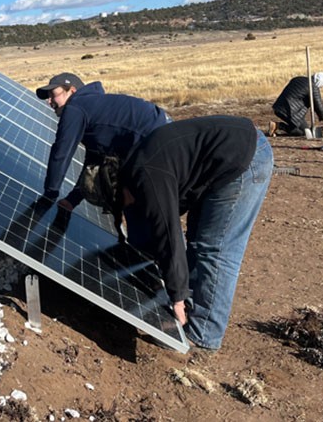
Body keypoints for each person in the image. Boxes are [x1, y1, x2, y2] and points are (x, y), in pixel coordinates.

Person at [99, 115, 273, 351]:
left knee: (215, 249)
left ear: (119, 190)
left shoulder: (147, 178)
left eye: (122, 205)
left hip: (243, 159)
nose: (128, 210)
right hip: (222, 158)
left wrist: (177, 297)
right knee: (198, 241)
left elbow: (168, 234)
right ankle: (194, 308)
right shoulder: (135, 169)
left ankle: (204, 335)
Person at [36, 72, 170, 217]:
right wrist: (72, 200)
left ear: (72, 91)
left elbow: (61, 153)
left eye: (53, 94)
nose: (49, 101)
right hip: (163, 136)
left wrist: (50, 193)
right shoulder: (94, 108)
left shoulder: (75, 107)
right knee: (141, 206)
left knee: (142, 208)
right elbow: (95, 160)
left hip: (155, 143)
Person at [269, 72, 323, 137]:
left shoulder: (298, 79)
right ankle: (278, 126)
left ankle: (275, 126)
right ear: (320, 81)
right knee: (304, 132)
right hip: (290, 111)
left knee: (302, 128)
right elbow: (318, 105)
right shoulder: (312, 87)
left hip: (279, 107)